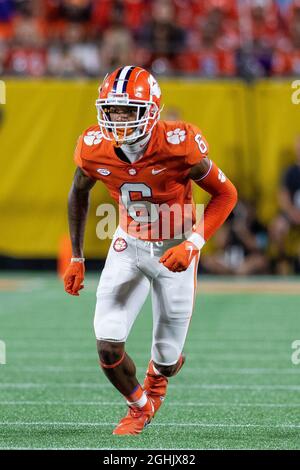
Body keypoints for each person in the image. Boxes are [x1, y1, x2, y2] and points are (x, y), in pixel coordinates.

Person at [63, 65, 238, 435]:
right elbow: (78, 192)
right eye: (112, 110)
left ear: (152, 109)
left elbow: (226, 194)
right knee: (107, 345)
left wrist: (192, 245)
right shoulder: (94, 148)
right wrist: (77, 256)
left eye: (129, 111)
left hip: (175, 247)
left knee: (168, 358)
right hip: (128, 244)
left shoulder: (179, 143)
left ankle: (162, 373)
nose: (119, 120)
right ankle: (140, 406)